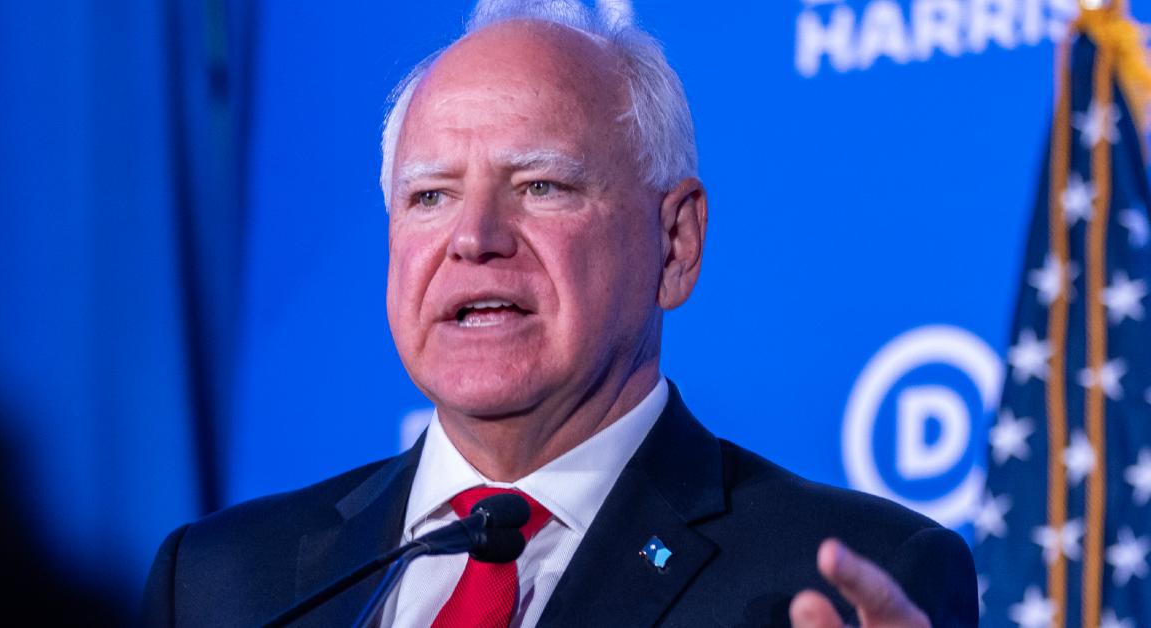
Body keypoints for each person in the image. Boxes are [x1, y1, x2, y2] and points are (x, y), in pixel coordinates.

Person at [141, 1, 978, 626]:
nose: (473, 238)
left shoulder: (849, 580)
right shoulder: (219, 582)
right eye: (429, 196)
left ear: (675, 242)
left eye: (541, 187)